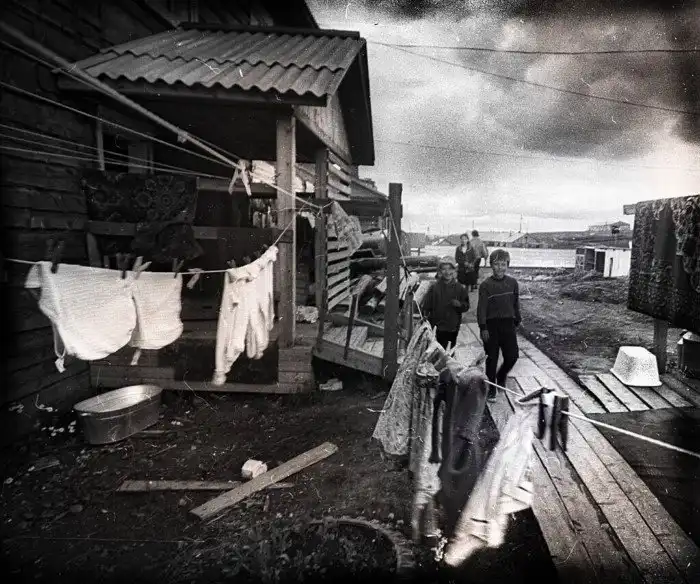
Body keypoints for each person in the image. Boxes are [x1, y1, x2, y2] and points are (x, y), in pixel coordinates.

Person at [477, 249, 521, 401]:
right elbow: (481, 308)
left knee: (513, 356)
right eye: (496, 264)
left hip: (508, 324)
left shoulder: (513, 283)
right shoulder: (485, 285)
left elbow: (515, 303)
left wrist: (517, 319)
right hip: (491, 326)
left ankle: (501, 375)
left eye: (503, 264)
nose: (500, 268)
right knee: (492, 358)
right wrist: (483, 327)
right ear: (491, 265)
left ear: (507, 265)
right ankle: (491, 389)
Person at [422, 256, 470, 350]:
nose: (447, 272)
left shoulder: (460, 288)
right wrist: (426, 320)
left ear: (454, 270)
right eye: (444, 269)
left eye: (450, 269)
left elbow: (466, 306)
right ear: (440, 271)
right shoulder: (434, 288)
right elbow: (426, 307)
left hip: (452, 328)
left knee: (449, 352)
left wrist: (460, 305)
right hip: (436, 328)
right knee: (435, 352)